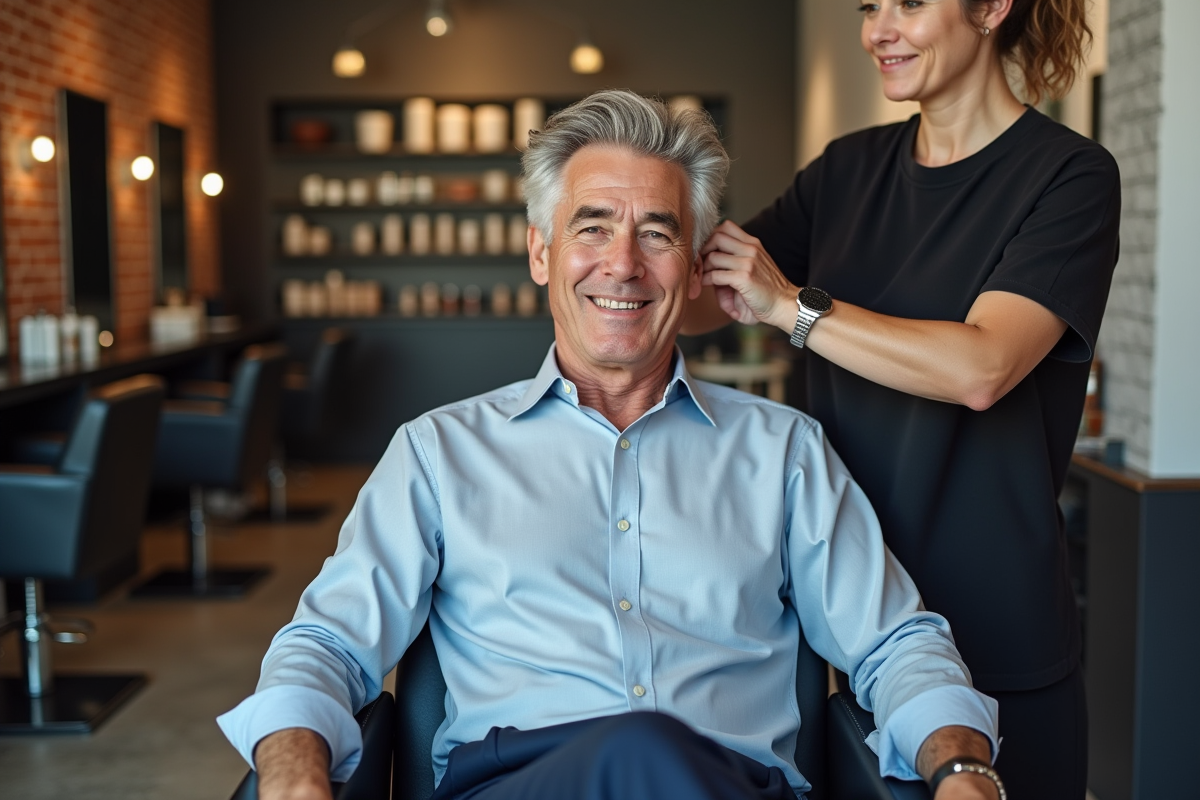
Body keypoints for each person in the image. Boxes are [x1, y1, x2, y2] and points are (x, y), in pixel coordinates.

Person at [218, 90, 1005, 800]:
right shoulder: (437, 453)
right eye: (592, 227)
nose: (622, 265)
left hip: (731, 784)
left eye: (656, 234)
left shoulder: (784, 451)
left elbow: (895, 641)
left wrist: (963, 770)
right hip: (515, 785)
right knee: (637, 747)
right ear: (541, 254)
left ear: (696, 270)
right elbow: (326, 642)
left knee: (649, 751)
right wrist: (291, 772)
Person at [687, 2, 1119, 797]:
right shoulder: (845, 172)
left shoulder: (1068, 176)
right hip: (841, 622)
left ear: (991, 8)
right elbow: (710, 298)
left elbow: (983, 367)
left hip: (993, 632)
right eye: (866, 6)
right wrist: (630, 251)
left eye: (909, 4)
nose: (877, 30)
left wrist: (791, 307)